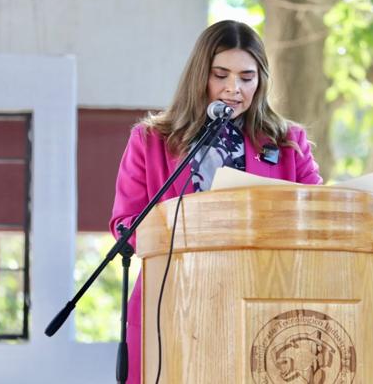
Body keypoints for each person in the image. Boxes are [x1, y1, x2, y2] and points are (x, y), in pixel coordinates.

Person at [109, 20, 323, 384]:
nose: (233, 89)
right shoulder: (151, 140)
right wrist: (169, 228)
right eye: (220, 75)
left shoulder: (287, 141)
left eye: (246, 77)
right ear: (200, 75)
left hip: (262, 302)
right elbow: (125, 223)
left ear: (261, 81)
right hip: (172, 301)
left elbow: (319, 216)